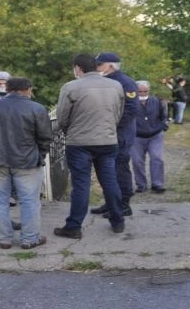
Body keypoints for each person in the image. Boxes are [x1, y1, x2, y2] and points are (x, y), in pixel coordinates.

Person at [0, 77, 52, 249]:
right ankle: (30, 238)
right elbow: (45, 138)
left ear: (6, 89)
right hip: (27, 161)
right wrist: (40, 155)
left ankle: (3, 238)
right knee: (29, 200)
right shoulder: (36, 108)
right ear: (28, 89)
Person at [54, 53, 126, 239]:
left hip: (79, 143)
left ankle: (74, 226)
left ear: (78, 68)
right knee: (110, 181)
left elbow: (62, 118)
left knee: (81, 185)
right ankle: (118, 221)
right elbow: (118, 113)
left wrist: (71, 131)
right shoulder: (116, 86)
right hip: (108, 141)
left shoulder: (70, 87)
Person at [90, 52, 139, 218]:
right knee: (107, 170)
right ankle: (111, 202)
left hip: (120, 133)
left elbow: (131, 110)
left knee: (119, 168)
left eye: (99, 65)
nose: (96, 68)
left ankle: (124, 204)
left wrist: (111, 126)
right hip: (108, 133)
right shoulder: (107, 81)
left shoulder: (125, 82)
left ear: (109, 65)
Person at [130, 80, 168, 195]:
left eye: (145, 91)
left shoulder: (156, 101)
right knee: (137, 161)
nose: (142, 93)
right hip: (137, 136)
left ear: (149, 91)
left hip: (155, 135)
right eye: (140, 91)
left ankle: (157, 184)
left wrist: (162, 126)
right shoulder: (130, 102)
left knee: (157, 158)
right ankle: (141, 184)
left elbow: (163, 116)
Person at [0, 70, 18, 208]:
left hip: (13, 136)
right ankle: (3, 195)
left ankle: (12, 194)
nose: (1, 85)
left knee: (12, 167)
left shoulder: (15, 96)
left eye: (4, 83)